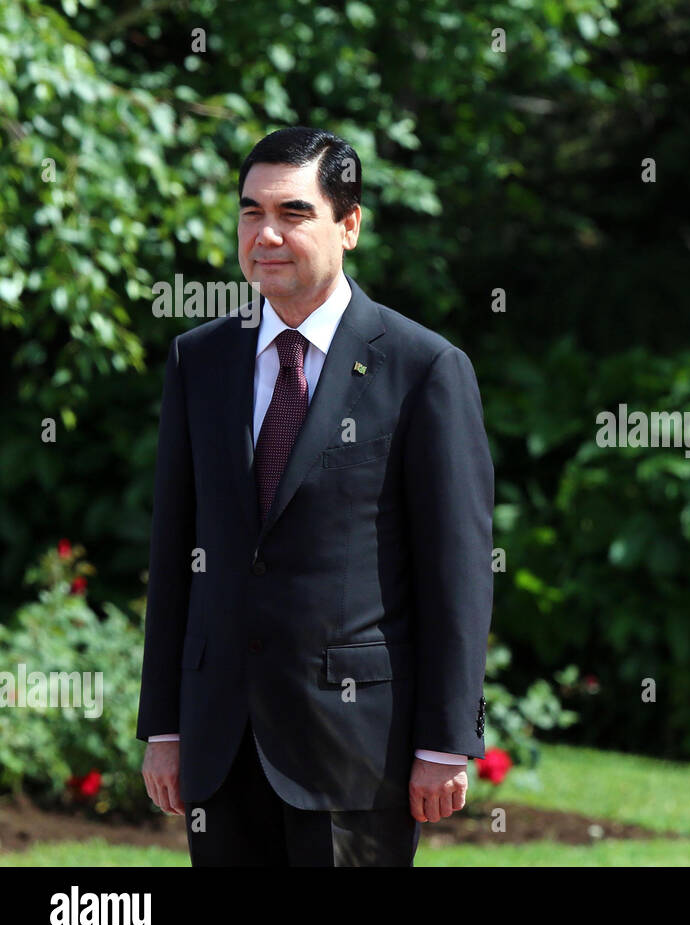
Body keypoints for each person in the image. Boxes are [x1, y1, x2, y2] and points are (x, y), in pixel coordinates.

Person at [136, 127, 494, 866]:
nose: (265, 234)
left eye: (293, 212)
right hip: (220, 748)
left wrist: (445, 741)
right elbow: (174, 553)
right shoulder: (197, 359)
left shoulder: (424, 368)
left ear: (349, 224)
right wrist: (164, 728)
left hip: (357, 754)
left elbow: (457, 572)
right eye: (250, 212)